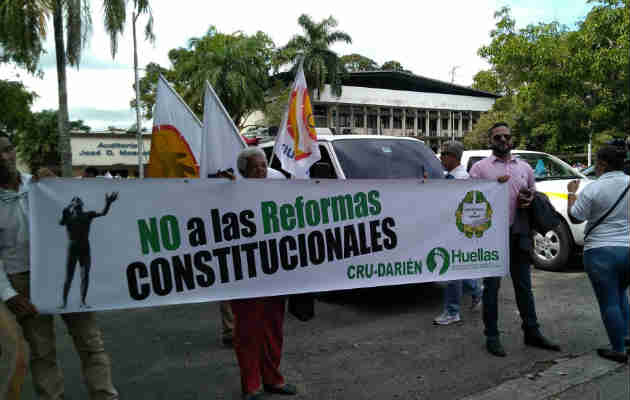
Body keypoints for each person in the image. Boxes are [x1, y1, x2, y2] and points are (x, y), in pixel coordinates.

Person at [0, 133, 119, 400]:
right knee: (42, 352)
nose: (4, 157)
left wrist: (60, 186)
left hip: (61, 269)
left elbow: (85, 203)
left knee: (91, 343)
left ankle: (105, 395)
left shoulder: (41, 185)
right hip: (22, 280)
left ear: (14, 151)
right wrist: (9, 294)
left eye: (7, 149)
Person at [469, 122, 560, 357]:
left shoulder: (525, 168)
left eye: (506, 137)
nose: (503, 140)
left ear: (512, 139)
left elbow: (533, 194)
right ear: (490, 140)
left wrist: (529, 199)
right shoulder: (480, 168)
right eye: (498, 137)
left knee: (524, 287)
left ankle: (532, 332)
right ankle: (492, 336)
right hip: (491, 236)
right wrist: (491, 188)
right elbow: (469, 201)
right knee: (491, 288)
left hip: (519, 233)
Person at [229, 147, 296, 400]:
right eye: (256, 166)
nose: (262, 169)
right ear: (244, 170)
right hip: (245, 273)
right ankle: (252, 385)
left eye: (264, 165)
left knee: (273, 327)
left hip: (274, 271)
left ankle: (272, 378)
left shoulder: (277, 191)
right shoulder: (231, 192)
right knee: (247, 330)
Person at [567, 145, 629, 363]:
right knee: (621, 293)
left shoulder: (594, 189)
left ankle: (618, 349)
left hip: (601, 252)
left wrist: (571, 194)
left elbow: (575, 217)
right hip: (628, 249)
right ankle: (627, 336)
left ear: (602, 164)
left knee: (609, 300)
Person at [433, 141, 482, 325]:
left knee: (451, 270)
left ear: (453, 157)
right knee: (457, 267)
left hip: (456, 231)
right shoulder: (449, 177)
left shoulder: (461, 179)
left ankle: (452, 311)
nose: (441, 158)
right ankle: (477, 291)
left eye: (443, 154)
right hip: (449, 230)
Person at [59, 193, 118, 309]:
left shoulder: (88, 215)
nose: (77, 203)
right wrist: (67, 209)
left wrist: (108, 203)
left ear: (82, 205)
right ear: (72, 205)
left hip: (85, 247)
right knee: (69, 276)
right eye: (75, 201)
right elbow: (61, 223)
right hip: (73, 247)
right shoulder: (68, 216)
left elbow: (103, 213)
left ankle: (82, 301)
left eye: (79, 201)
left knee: (85, 274)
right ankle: (64, 302)